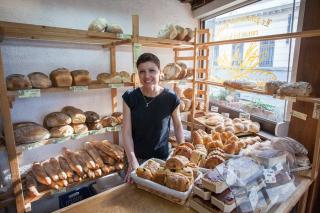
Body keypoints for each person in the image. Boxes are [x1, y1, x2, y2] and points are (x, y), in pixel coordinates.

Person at [122, 53, 185, 182]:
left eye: (152, 70)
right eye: (142, 72)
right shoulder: (130, 97)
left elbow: (178, 126)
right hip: (136, 158)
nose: (147, 76)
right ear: (138, 74)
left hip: (161, 159)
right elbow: (126, 132)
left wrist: (183, 151)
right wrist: (132, 161)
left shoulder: (171, 98)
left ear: (160, 72)